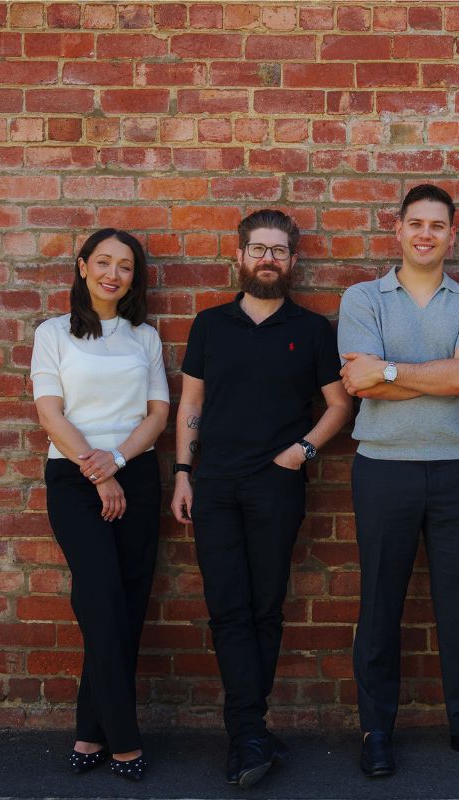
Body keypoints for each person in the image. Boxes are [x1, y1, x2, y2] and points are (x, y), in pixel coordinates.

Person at [170, 209, 354, 788]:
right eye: (258, 249)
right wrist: (183, 473)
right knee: (227, 607)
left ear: (292, 261)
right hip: (216, 485)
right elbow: (191, 403)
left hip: (277, 483)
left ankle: (248, 731)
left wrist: (302, 451)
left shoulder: (313, 329)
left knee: (265, 608)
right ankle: (248, 732)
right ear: (240, 257)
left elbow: (340, 405)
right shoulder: (210, 325)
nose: (267, 259)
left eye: (278, 251)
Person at [338, 184, 459, 777]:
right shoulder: (363, 298)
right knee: (379, 605)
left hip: (457, 467)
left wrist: (388, 371)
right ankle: (375, 730)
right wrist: (435, 377)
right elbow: (358, 384)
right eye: (416, 223)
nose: (426, 234)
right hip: (383, 468)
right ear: (398, 229)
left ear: (452, 235)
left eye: (438, 225)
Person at [32, 229, 168, 783]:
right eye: (104, 262)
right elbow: (50, 413)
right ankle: (126, 741)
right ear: (83, 266)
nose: (114, 274)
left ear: (135, 278)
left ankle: (90, 731)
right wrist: (97, 469)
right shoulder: (53, 333)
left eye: (126, 266)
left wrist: (117, 460)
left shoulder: (144, 337)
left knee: (126, 606)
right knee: (101, 598)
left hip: (136, 472)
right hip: (73, 477)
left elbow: (158, 414)